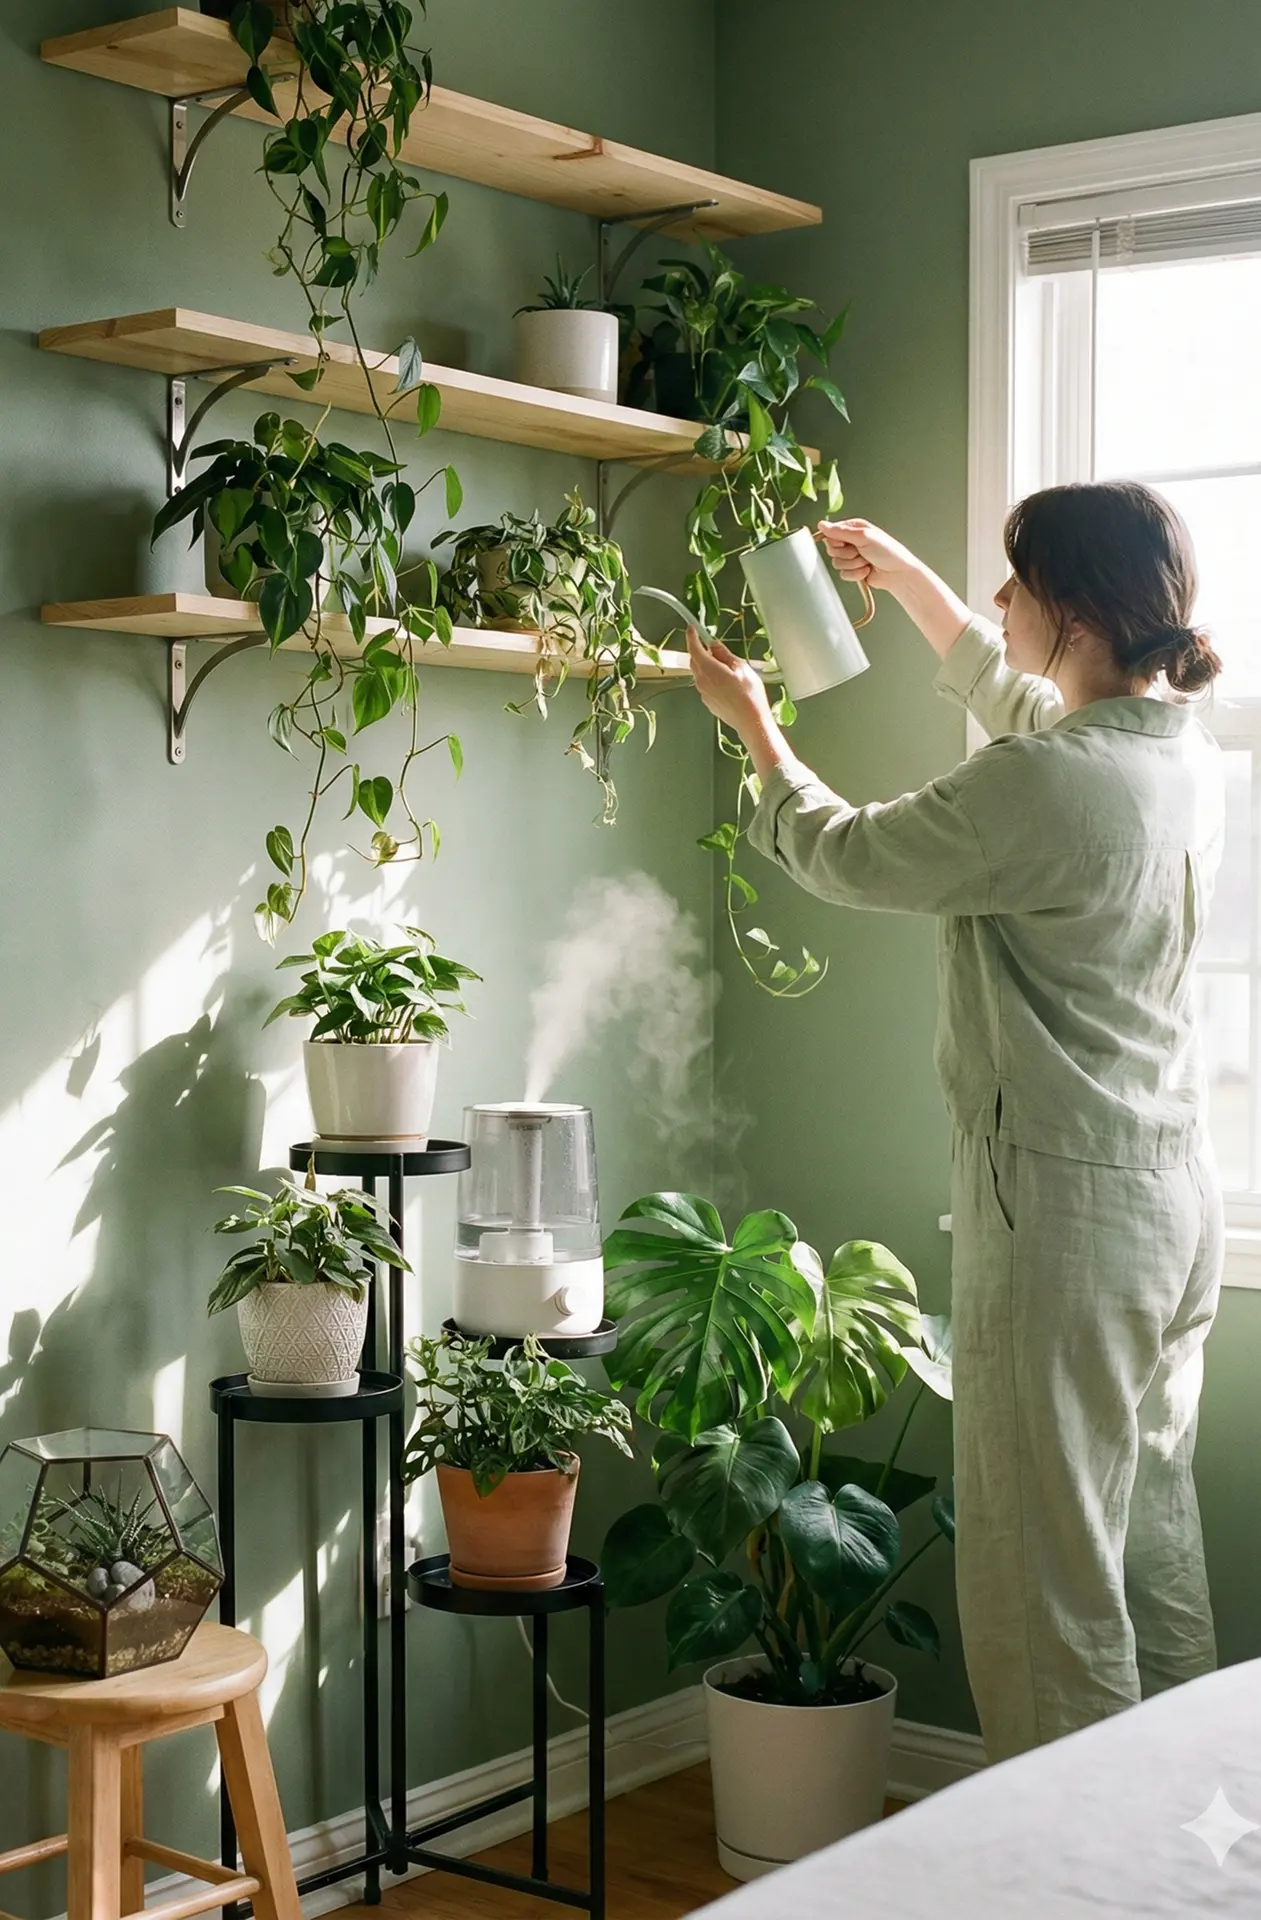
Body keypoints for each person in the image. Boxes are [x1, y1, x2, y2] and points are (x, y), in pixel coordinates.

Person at [687, 481, 1225, 1764]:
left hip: (1063, 1211)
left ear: (1074, 612)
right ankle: (1189, 1840)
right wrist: (915, 587)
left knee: (1043, 1581)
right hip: (1169, 1201)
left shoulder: (1049, 783)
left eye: (1012, 583)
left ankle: (1063, 1860)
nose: (996, 600)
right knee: (1146, 1540)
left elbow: (848, 853)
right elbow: (1039, 719)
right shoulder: (1176, 755)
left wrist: (754, 728)